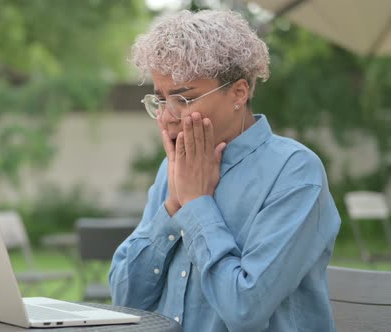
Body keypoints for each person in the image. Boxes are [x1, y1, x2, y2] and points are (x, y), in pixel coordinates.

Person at [108, 9, 341, 332]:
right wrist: (173, 206)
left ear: (239, 92)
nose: (167, 117)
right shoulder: (174, 167)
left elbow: (245, 310)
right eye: (160, 100)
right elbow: (125, 300)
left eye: (184, 99)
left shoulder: (295, 173)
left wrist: (195, 204)